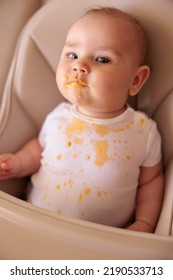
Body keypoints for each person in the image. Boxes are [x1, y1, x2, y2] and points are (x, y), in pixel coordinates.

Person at [0, 7, 164, 232]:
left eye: (102, 59)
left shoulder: (142, 132)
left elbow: (151, 182)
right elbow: (38, 149)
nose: (79, 66)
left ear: (135, 80)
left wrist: (144, 223)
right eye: (72, 55)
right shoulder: (58, 116)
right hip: (36, 227)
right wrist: (18, 163)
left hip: (98, 242)